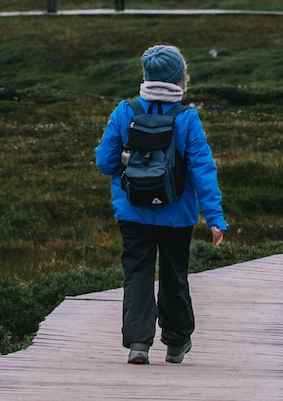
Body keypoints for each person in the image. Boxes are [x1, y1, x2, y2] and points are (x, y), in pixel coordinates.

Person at [94, 45, 226, 365]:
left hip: (132, 211)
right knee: (173, 275)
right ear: (179, 79)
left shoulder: (125, 111)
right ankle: (177, 343)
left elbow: (104, 162)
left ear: (147, 76)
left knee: (137, 273)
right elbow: (202, 170)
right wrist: (214, 218)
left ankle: (139, 343)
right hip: (177, 215)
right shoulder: (187, 118)